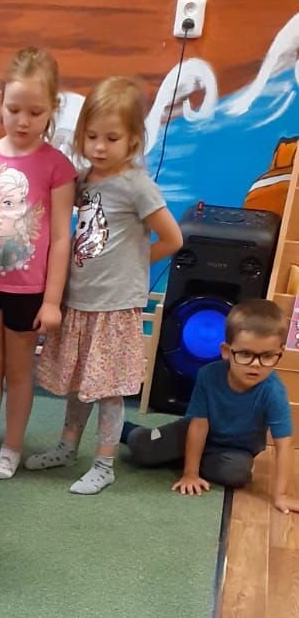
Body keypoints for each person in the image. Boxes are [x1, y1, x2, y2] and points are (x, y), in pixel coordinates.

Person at [27, 76, 183, 493]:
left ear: (133, 140)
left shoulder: (137, 186)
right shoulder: (84, 181)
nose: (99, 147)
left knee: (109, 390)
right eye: (91, 136)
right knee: (79, 382)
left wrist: (132, 266)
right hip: (79, 300)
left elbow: (173, 238)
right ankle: (67, 446)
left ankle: (104, 463)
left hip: (114, 306)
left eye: (111, 138)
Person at [0, 47, 76, 480]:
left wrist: (52, 301)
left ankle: (11, 448)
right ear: (0, 102)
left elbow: (60, 238)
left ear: (52, 109)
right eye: (14, 109)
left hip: (28, 291)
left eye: (35, 112)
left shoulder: (57, 167)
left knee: (20, 373)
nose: (23, 121)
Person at [123, 299, 298, 511]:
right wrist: (190, 474)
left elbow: (284, 444)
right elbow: (198, 426)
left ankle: (182, 455)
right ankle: (128, 430)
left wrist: (281, 496)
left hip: (234, 450)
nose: (255, 365)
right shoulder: (208, 375)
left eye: (267, 356)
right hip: (191, 432)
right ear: (226, 351)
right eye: (245, 354)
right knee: (143, 449)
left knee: (236, 474)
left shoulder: (274, 391)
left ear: (280, 352)